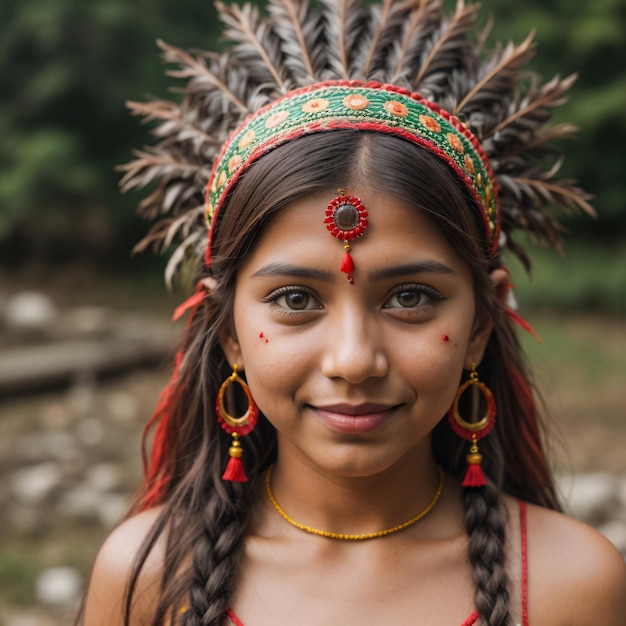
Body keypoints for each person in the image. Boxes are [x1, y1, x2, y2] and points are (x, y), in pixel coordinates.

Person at [78, 1, 626, 625]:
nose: (354, 360)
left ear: (481, 323)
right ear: (227, 329)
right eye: (295, 300)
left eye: (410, 297)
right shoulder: (147, 576)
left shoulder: (570, 586)